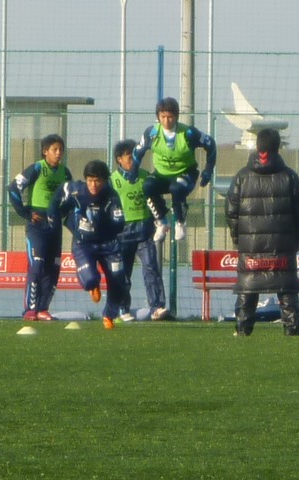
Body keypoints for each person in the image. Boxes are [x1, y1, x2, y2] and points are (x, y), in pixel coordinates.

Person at [225, 128, 299, 336]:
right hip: (282, 247)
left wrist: (238, 239)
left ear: (257, 147)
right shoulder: (289, 177)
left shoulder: (242, 177)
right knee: (286, 285)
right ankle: (292, 327)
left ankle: (243, 327)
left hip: (250, 247)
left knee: (248, 285)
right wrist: (297, 238)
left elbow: (231, 211)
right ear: (278, 148)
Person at [48, 160, 127, 330]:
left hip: (109, 244)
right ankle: (92, 285)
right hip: (83, 243)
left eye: (97, 180)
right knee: (91, 279)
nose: (93, 185)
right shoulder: (76, 190)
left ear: (105, 180)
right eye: (90, 180)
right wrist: (54, 217)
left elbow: (120, 223)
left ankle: (108, 315)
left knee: (118, 280)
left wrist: (101, 222)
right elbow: (57, 197)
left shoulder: (112, 196)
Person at [8, 134, 72, 321]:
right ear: (45, 151)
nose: (59, 153)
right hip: (37, 224)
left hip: (55, 225)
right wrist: (25, 212)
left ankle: (43, 308)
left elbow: (72, 196)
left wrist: (63, 212)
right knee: (37, 265)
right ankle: (30, 308)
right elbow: (13, 187)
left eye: (61, 149)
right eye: (55, 149)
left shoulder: (65, 173)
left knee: (54, 267)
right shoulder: (37, 168)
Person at [134, 97, 217, 242]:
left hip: (186, 172)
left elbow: (211, 145)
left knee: (176, 188)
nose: (166, 121)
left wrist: (208, 171)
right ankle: (161, 221)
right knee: (147, 186)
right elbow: (137, 152)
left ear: (177, 116)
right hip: (161, 174)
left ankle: (180, 221)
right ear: (158, 117)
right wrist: (134, 172)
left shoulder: (188, 133)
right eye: (163, 117)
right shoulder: (151, 134)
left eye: (170, 117)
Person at [110, 139, 169, 322]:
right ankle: (122, 309)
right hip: (123, 232)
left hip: (145, 231)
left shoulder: (146, 177)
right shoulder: (113, 181)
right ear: (119, 159)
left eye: (136, 155)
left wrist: (161, 219)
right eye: (129, 156)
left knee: (151, 267)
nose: (133, 159)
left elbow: (158, 202)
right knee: (123, 273)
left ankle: (157, 308)